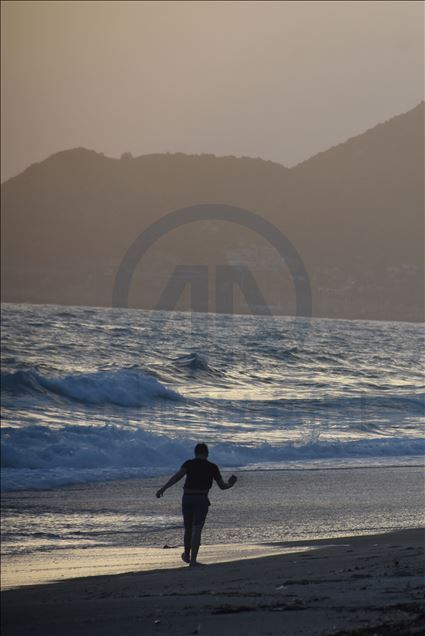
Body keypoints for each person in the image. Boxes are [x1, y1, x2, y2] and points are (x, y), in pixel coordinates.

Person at [156, 442, 237, 567]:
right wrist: (231, 484)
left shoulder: (189, 463)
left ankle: (187, 555)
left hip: (187, 498)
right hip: (201, 498)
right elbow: (222, 486)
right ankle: (193, 561)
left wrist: (163, 489)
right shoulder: (212, 467)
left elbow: (177, 477)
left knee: (188, 528)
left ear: (195, 453)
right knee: (197, 529)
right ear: (207, 453)